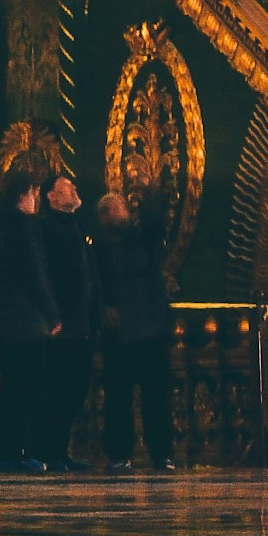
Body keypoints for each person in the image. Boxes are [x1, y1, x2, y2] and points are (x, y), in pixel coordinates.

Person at [0, 143, 71, 470]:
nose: (37, 200)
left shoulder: (1, 226)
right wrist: (52, 315)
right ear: (25, 194)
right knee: (24, 386)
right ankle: (12, 451)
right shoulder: (21, 229)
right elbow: (35, 274)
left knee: (14, 384)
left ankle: (12, 450)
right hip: (24, 320)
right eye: (34, 193)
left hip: (8, 319)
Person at [90, 178, 177, 470]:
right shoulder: (98, 249)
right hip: (119, 333)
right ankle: (118, 453)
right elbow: (94, 285)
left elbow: (157, 221)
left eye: (120, 208)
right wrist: (104, 310)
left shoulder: (143, 239)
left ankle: (161, 453)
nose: (117, 213)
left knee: (157, 396)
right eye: (110, 210)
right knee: (118, 397)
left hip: (150, 327)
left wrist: (150, 191)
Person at [35, 165, 93, 462]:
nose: (74, 189)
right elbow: (44, 274)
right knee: (57, 387)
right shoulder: (46, 227)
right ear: (51, 196)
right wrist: (53, 315)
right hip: (59, 322)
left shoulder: (77, 228)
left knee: (76, 387)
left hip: (80, 322)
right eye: (67, 186)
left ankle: (59, 450)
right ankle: (49, 451)